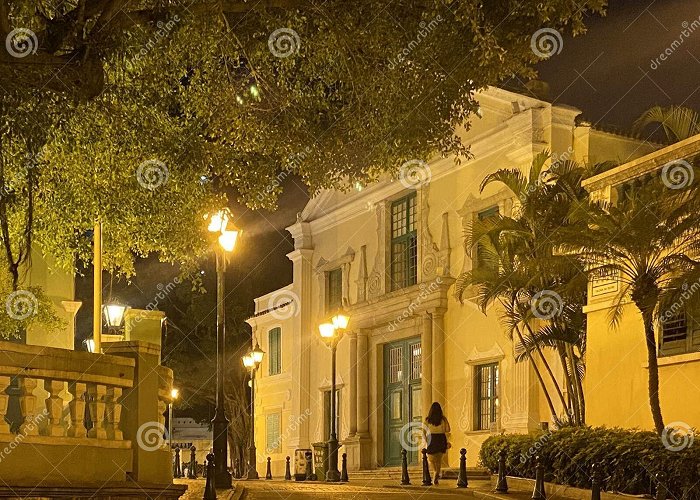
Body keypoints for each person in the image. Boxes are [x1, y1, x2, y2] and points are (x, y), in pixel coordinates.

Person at [423, 402, 450, 484]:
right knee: (438, 460)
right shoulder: (443, 419)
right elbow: (448, 430)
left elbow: (423, 431)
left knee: (431, 459)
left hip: (432, 439)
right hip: (441, 438)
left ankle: (435, 472)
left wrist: (426, 440)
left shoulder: (427, 420)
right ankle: (436, 474)